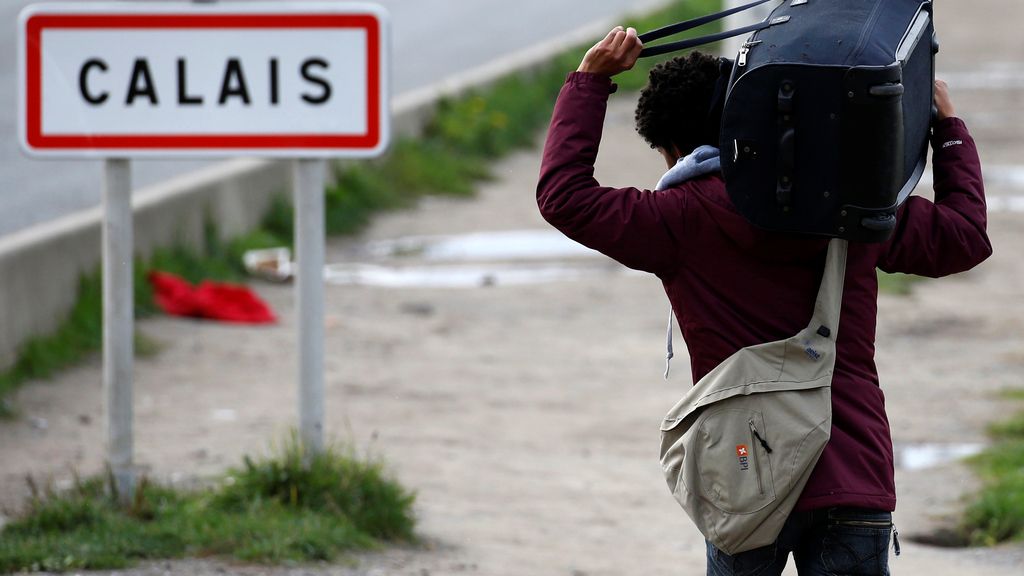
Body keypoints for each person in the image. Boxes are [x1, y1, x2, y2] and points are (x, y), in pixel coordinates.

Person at [536, 26, 992, 576]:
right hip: (850, 464)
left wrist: (588, 83)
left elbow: (563, 196)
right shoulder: (848, 201)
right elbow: (963, 237)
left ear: (672, 150)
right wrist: (948, 131)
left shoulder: (676, 220)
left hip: (745, 468)